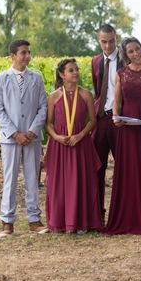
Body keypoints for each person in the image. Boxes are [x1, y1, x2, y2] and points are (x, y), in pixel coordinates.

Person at [0, 39, 49, 238]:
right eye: (23, 52)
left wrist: (32, 131)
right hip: (10, 139)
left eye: (28, 52)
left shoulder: (37, 78)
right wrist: (15, 134)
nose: (27, 56)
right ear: (13, 56)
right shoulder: (1, 78)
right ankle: (7, 222)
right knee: (10, 179)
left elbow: (43, 107)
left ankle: (34, 219)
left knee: (32, 178)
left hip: (32, 138)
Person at [44, 59, 103, 234]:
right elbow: (48, 124)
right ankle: (63, 221)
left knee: (81, 180)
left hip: (81, 142)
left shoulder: (86, 94)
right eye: (71, 70)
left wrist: (80, 135)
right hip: (60, 144)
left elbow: (92, 121)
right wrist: (57, 137)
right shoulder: (54, 96)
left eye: (76, 69)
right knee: (60, 182)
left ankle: (82, 221)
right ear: (62, 75)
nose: (76, 72)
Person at [104, 37, 141, 234]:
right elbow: (117, 100)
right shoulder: (121, 73)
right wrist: (116, 117)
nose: (136, 53)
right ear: (126, 54)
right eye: (131, 51)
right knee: (130, 169)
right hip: (128, 126)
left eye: (138, 49)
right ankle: (129, 216)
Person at [91, 24, 123, 219]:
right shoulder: (95, 62)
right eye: (104, 41)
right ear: (99, 40)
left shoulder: (125, 59)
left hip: (120, 119)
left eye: (111, 40)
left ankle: (120, 213)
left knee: (123, 167)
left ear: (116, 38)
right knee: (97, 166)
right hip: (101, 118)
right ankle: (97, 213)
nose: (108, 45)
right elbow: (98, 90)